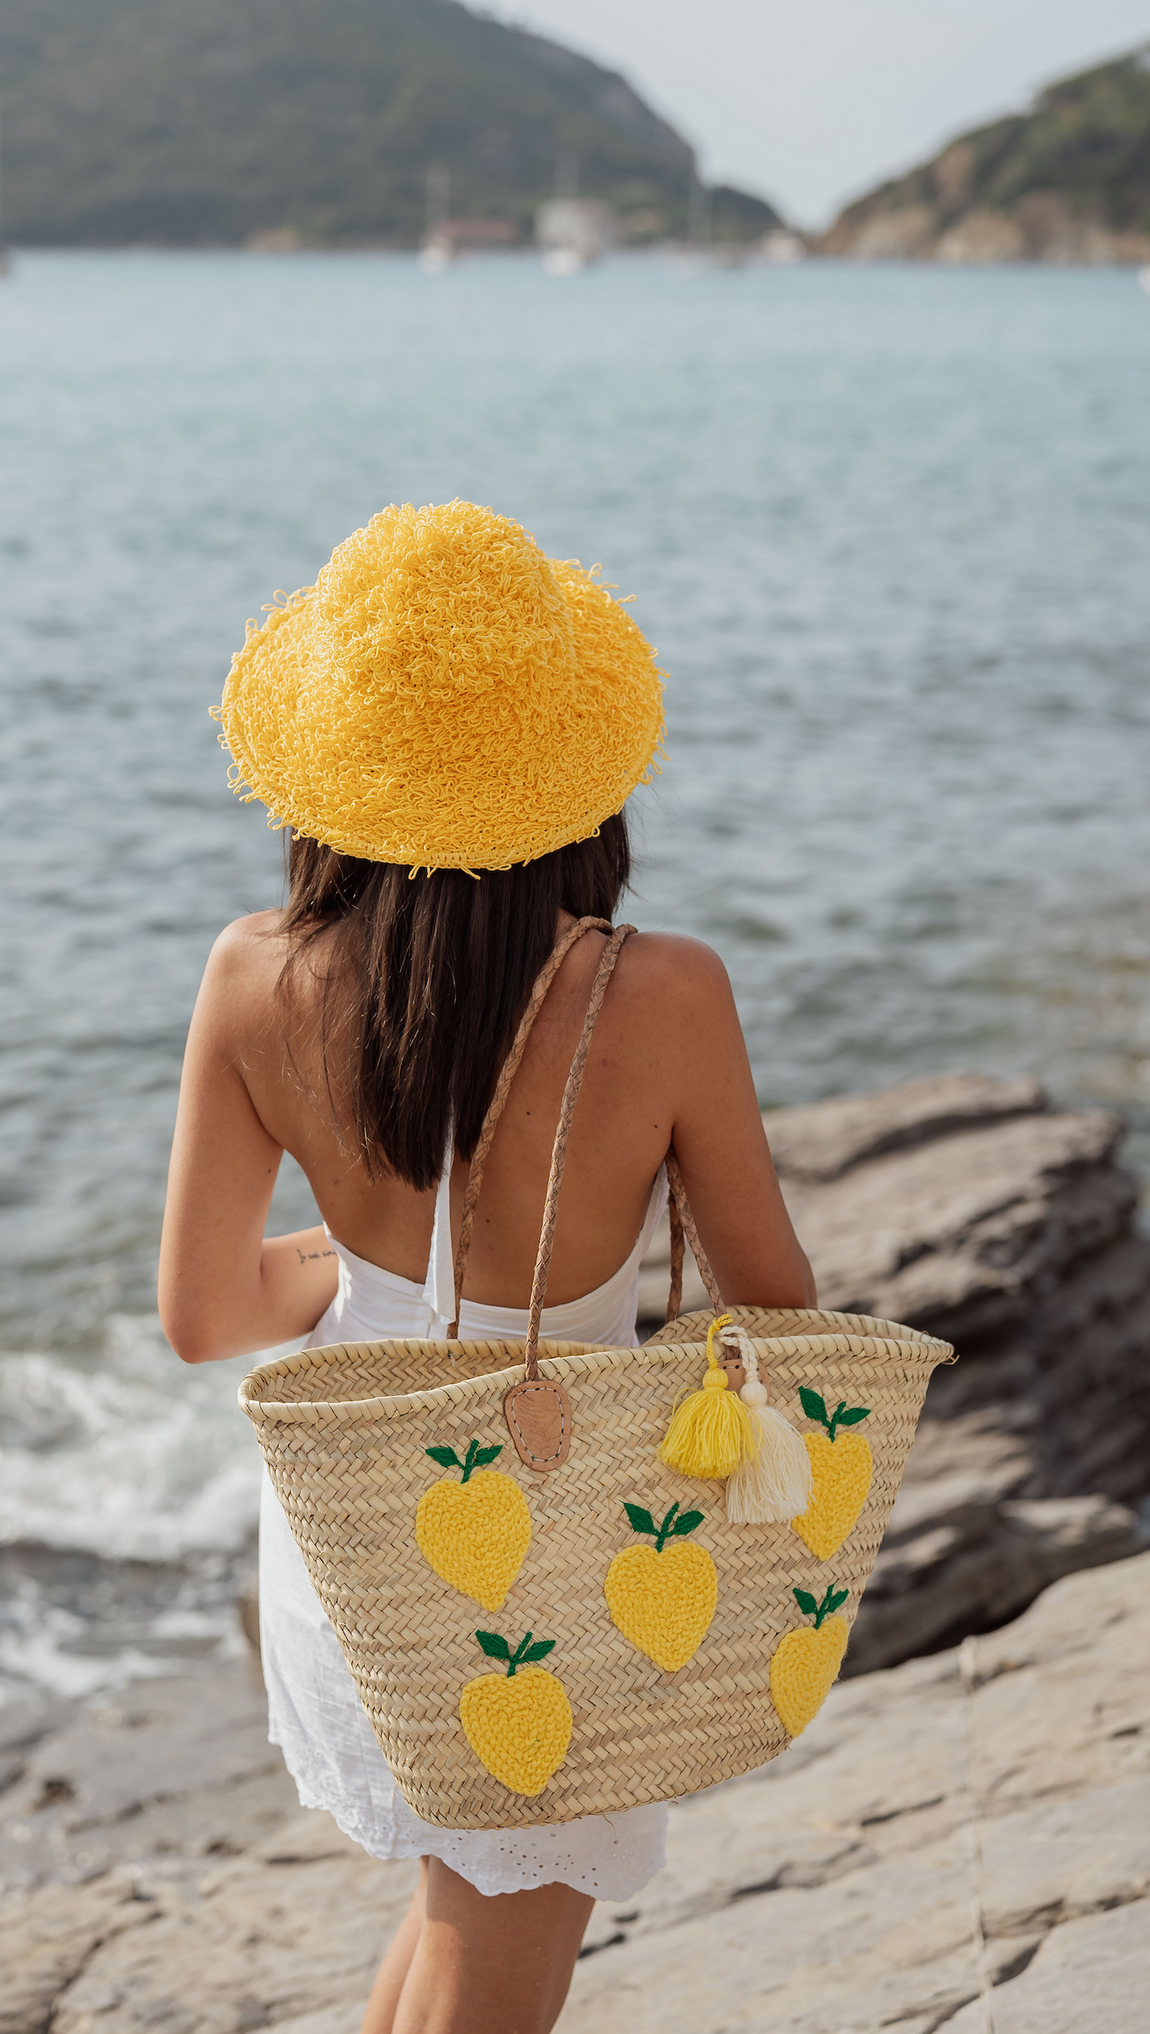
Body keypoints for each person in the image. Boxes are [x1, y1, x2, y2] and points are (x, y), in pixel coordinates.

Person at [159, 500, 815, 2034]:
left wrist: (351, 1253)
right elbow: (773, 1304)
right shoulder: (663, 990)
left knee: (458, 1914)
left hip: (361, 1543)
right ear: (581, 772)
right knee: (496, 1958)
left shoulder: (254, 972)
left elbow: (206, 1317)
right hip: (552, 1534)